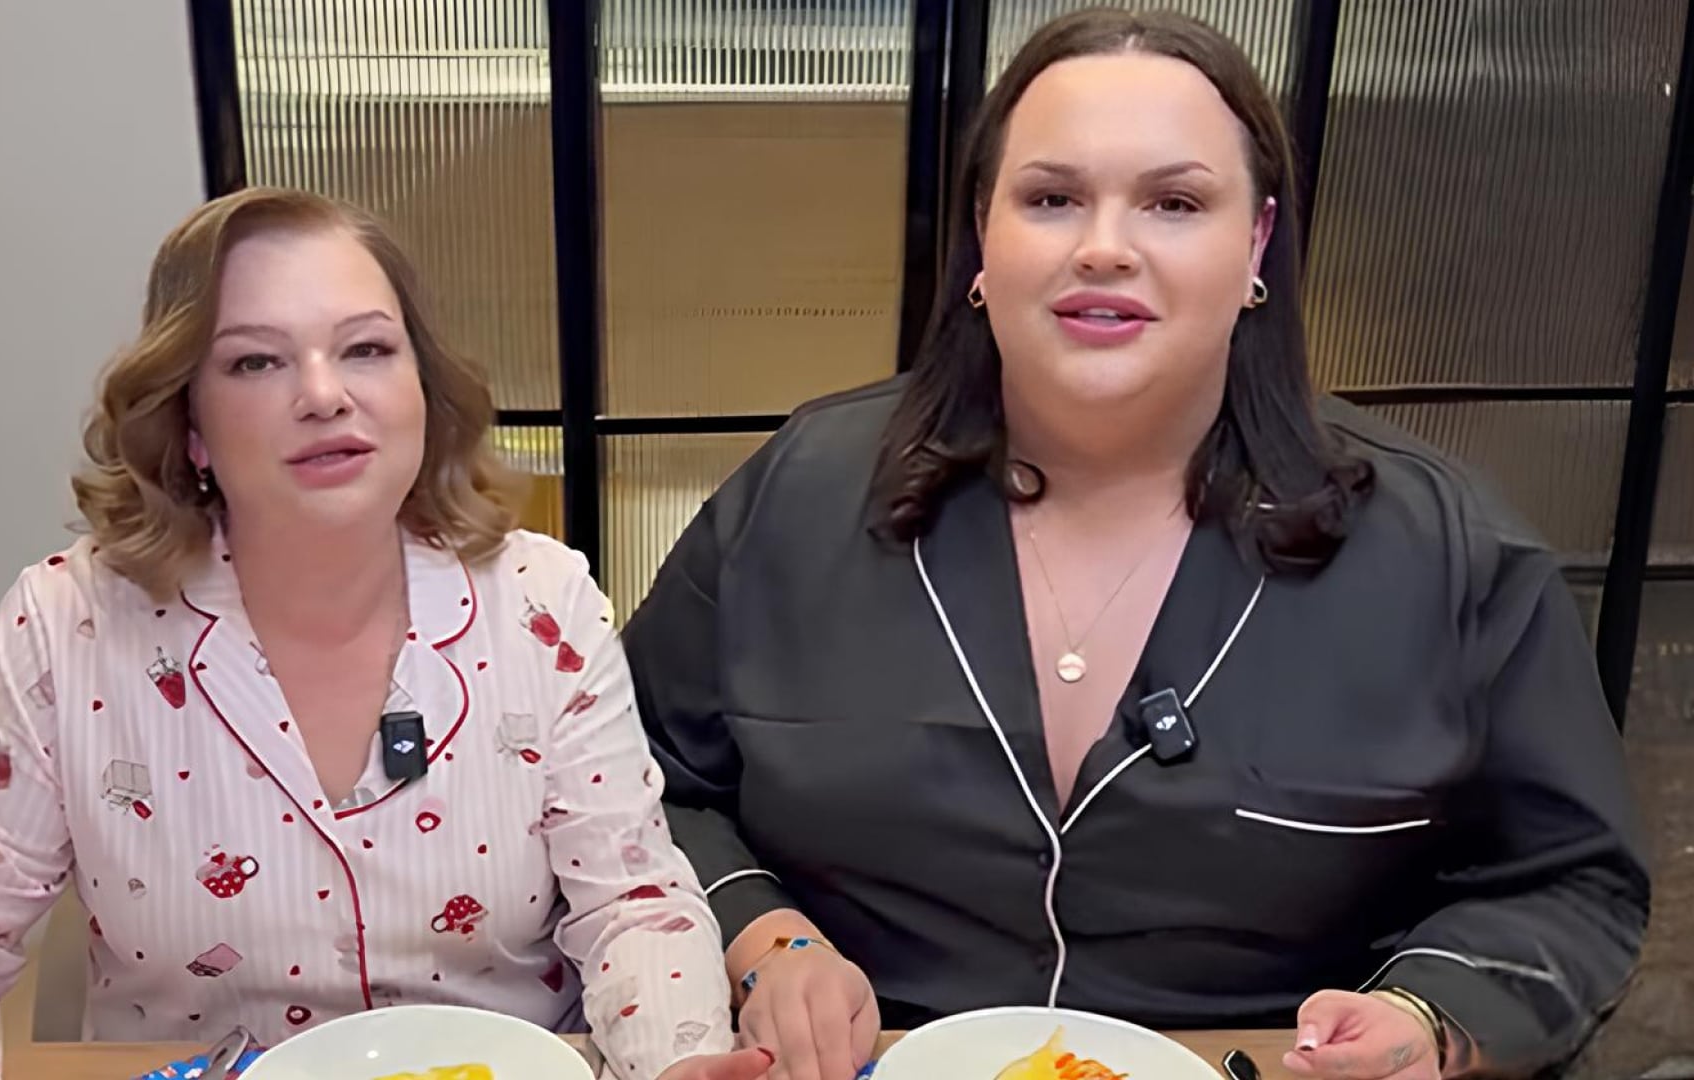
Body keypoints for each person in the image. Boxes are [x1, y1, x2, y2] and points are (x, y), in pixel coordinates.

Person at [625, 10, 1648, 1080]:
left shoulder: (1448, 552)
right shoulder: (802, 494)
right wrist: (767, 942)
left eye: (1174, 203)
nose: (1104, 248)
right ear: (982, 236)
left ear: (1256, 243)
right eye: (1052, 198)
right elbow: (633, 785)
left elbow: (1573, 880)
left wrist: (1426, 1018)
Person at [0, 188, 773, 1080]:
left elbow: (632, 901)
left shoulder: (542, 602)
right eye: (256, 362)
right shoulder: (67, 626)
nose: (324, 395)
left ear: (422, 389)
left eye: (366, 349)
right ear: (191, 425)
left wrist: (677, 1059)